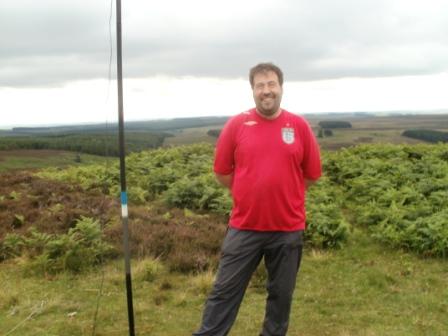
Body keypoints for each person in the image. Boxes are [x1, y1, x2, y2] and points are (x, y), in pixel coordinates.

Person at [193, 63, 322, 336]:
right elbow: (221, 171)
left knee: (281, 297)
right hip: (245, 226)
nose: (267, 91)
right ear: (253, 90)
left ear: (281, 88)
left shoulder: (298, 126)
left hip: (288, 229)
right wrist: (246, 192)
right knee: (224, 292)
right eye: (260, 85)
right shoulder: (237, 124)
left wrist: (287, 193)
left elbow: (311, 174)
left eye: (271, 84)